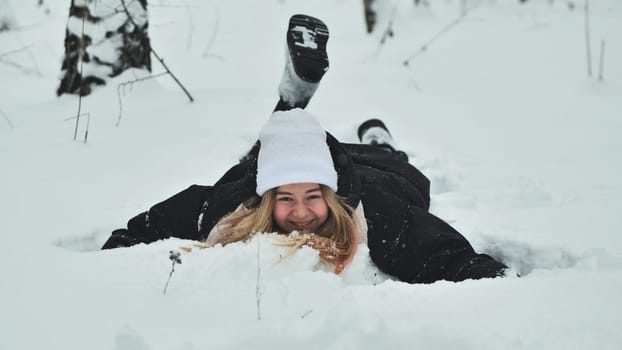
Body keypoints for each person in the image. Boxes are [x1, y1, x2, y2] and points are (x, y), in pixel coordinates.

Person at [102, 14, 507, 283]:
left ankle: (374, 137)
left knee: (390, 159)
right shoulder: (228, 205)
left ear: (329, 195)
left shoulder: (377, 214)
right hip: (273, 167)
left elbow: (444, 254)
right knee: (252, 164)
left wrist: (488, 276)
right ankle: (288, 113)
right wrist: (116, 251)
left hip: (379, 172)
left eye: (313, 197)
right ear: (265, 200)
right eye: (286, 198)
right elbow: (147, 228)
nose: (300, 212)